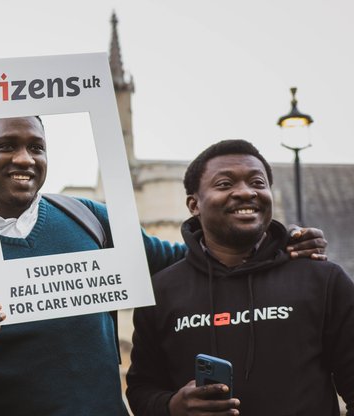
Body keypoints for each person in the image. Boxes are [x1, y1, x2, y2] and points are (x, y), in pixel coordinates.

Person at [0, 116, 329, 415]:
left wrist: (274, 241)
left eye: (36, 147)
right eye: (7, 145)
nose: (25, 158)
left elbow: (199, 259)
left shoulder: (89, 220)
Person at [126, 139, 354, 415]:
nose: (245, 192)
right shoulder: (161, 292)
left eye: (258, 183)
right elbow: (140, 390)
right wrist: (171, 406)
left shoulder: (323, 279)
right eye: (225, 184)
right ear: (193, 204)